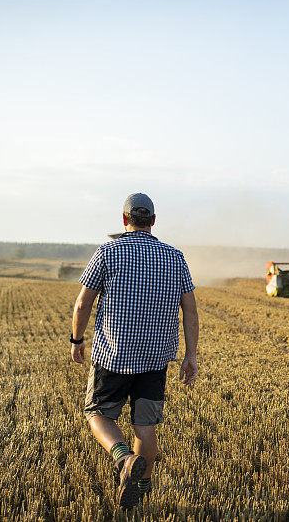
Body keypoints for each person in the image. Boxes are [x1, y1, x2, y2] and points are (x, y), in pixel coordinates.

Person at [69, 192, 199, 509]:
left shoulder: (107, 252)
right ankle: (141, 486)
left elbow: (83, 302)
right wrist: (191, 355)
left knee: (97, 414)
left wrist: (77, 339)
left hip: (113, 356)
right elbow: (190, 311)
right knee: (145, 426)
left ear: (124, 219)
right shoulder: (175, 257)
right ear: (153, 221)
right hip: (155, 361)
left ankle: (125, 459)